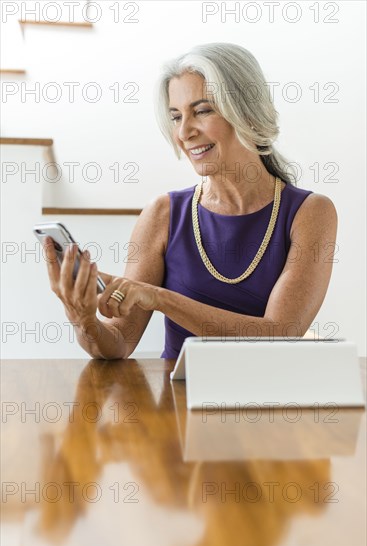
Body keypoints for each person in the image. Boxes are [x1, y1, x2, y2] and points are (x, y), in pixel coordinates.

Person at [44, 43, 338, 359]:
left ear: (247, 113)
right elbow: (118, 342)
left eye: (202, 111)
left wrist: (160, 298)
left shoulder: (310, 213)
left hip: (266, 400)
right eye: (175, 116)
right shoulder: (163, 214)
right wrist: (83, 320)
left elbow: (279, 334)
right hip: (176, 402)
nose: (184, 132)